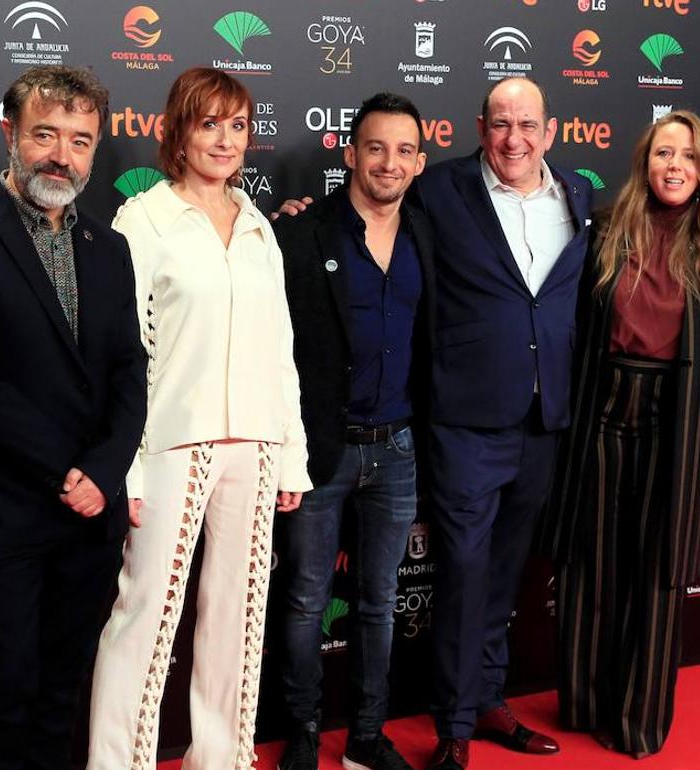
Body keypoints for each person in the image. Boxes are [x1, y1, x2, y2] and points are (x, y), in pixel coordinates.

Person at [276, 77, 591, 770]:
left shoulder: (576, 195)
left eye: (527, 124)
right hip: (458, 423)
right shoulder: (442, 189)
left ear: (550, 132)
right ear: (480, 129)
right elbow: (357, 209)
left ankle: (484, 698)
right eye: (501, 123)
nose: (514, 137)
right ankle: (450, 722)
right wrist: (299, 216)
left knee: (500, 574)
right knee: (454, 572)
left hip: (542, 421)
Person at [0, 66, 146, 770]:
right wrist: (67, 473)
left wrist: (103, 473)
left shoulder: (110, 247)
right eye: (45, 134)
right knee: (5, 695)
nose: (61, 156)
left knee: (59, 694)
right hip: (4, 515)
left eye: (80, 141)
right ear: (10, 134)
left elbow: (129, 369)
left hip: (89, 516)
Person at [87, 67, 311, 770]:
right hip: (170, 443)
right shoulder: (143, 219)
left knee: (240, 620)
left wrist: (292, 454)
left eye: (237, 125)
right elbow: (122, 353)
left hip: (257, 443)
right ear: (178, 132)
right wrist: (125, 467)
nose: (224, 139)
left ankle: (222, 759)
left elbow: (280, 347)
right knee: (145, 618)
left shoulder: (258, 226)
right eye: (208, 123)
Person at [552, 110, 700, 759]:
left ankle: (638, 720)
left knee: (658, 571)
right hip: (603, 405)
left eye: (688, 156)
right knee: (593, 563)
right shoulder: (607, 229)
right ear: (645, 162)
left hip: (676, 416)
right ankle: (585, 704)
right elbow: (576, 325)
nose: (675, 166)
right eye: (664, 153)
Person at [271, 92, 434, 770]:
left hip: (397, 448)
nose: (388, 162)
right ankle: (304, 732)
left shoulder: (428, 233)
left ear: (419, 162)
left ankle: (367, 737)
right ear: (350, 154)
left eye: (403, 150)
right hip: (321, 448)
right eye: (375, 147)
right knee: (305, 599)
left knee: (379, 601)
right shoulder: (303, 231)